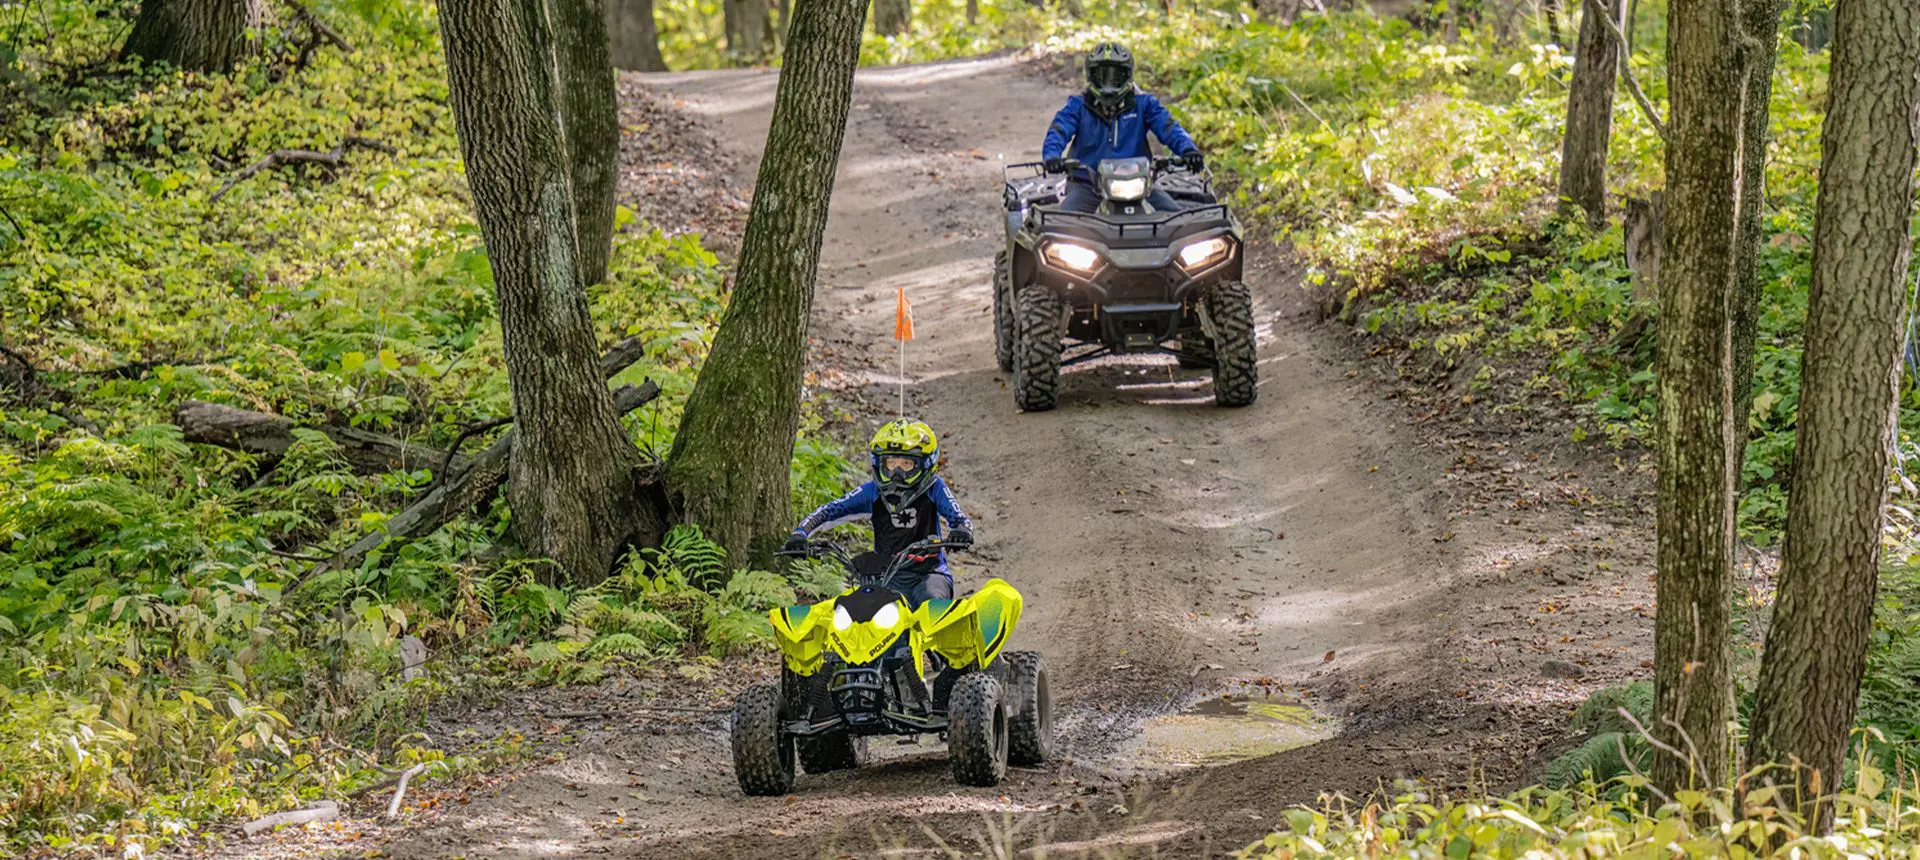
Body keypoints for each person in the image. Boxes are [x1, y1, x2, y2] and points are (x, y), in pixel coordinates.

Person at [782, 419, 974, 607]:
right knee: (857, 615)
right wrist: (800, 533)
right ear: (880, 464)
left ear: (925, 464)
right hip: (886, 576)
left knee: (932, 603)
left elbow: (958, 518)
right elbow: (831, 510)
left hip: (930, 574)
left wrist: (962, 531)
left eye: (907, 464)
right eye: (891, 463)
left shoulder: (935, 489)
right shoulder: (872, 492)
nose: (897, 472)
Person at [1041, 41, 1206, 214]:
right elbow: (1058, 131)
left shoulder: (1145, 104)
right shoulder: (1078, 105)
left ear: (1127, 76)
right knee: (1062, 224)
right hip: (1088, 186)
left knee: (1176, 220)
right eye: (1101, 76)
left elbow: (1170, 128)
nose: (1108, 84)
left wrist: (1188, 150)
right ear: (1090, 76)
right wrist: (1052, 157)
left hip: (1141, 187)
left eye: (1115, 76)